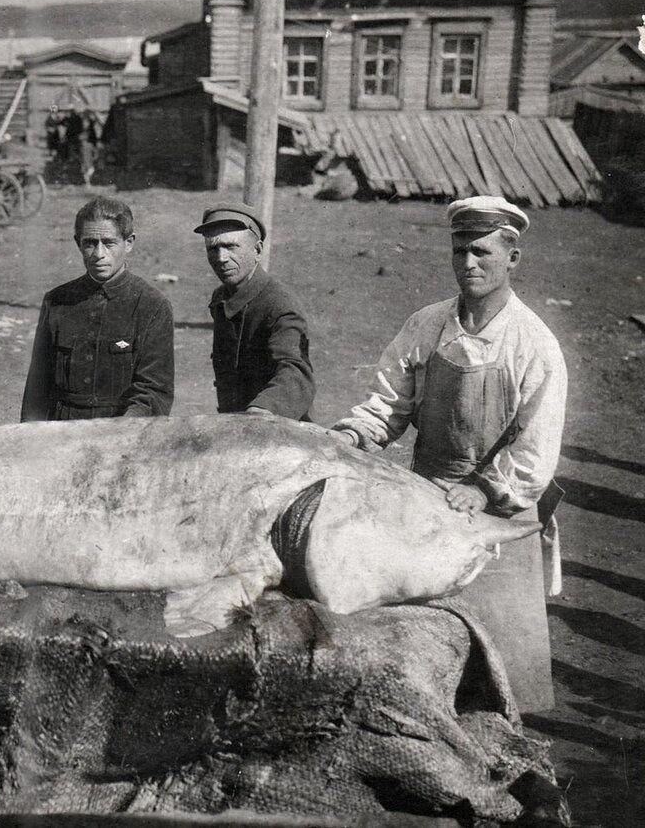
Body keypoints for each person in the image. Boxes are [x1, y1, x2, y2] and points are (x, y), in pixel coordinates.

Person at [331, 196, 567, 713]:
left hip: (502, 513)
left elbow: (535, 449)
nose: (469, 264)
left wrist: (482, 491)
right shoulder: (428, 325)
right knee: (429, 655)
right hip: (429, 502)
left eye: (482, 252)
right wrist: (352, 438)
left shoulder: (533, 344)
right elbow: (389, 401)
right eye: (459, 251)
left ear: (513, 259)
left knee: (505, 678)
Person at [21, 196, 174, 421]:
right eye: (90, 243)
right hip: (61, 433)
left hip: (121, 433)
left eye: (109, 243)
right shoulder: (56, 301)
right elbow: (38, 386)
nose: (99, 254)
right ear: (78, 243)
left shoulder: (152, 306)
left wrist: (119, 433)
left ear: (129, 242)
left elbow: (153, 391)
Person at [199, 204, 314, 420]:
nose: (221, 258)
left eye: (231, 246)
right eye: (212, 248)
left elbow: (296, 373)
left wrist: (263, 409)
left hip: (276, 426)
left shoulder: (279, 305)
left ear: (258, 250)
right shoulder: (221, 298)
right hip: (236, 423)